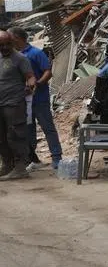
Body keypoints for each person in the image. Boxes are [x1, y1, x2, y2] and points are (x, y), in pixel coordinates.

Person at [10, 28, 61, 171]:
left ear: (18, 38)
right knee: (28, 130)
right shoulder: (13, 56)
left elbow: (48, 71)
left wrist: (38, 83)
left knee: (47, 128)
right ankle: (32, 159)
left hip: (39, 98)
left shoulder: (35, 53)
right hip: (22, 100)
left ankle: (57, 157)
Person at [0, 31, 35, 180]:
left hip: (14, 103)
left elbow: (31, 77)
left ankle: (21, 168)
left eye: (8, 44)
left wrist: (30, 85)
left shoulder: (20, 58)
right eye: (1, 45)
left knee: (15, 135)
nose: (5, 47)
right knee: (1, 137)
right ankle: (7, 165)